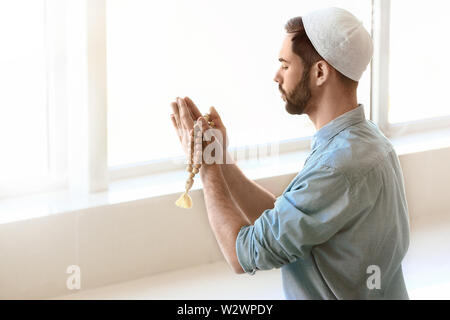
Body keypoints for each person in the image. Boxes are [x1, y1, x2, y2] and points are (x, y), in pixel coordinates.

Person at [169, 7, 410, 300]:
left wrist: (207, 169)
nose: (275, 76)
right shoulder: (367, 142)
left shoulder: (337, 168)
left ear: (320, 72)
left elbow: (241, 254)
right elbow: (288, 220)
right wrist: (219, 157)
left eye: (285, 65)